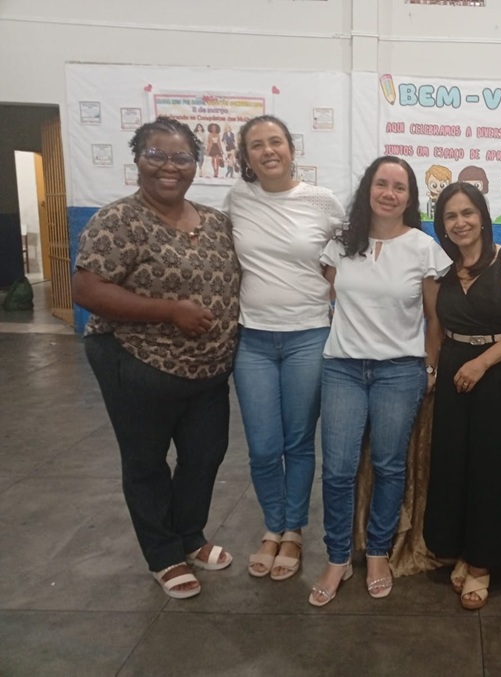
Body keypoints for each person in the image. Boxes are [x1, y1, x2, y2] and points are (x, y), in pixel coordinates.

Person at [72, 116, 240, 599]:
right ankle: (163, 554)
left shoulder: (215, 222)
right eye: (156, 155)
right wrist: (169, 311)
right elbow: (87, 289)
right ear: (138, 160)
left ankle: (189, 535)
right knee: (146, 462)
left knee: (205, 455)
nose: (169, 166)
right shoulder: (118, 221)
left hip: (208, 371)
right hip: (137, 365)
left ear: (196, 165)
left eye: (181, 157)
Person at [308, 156, 452, 607]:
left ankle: (377, 552)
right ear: (368, 189)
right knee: (338, 469)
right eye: (381, 183)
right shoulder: (340, 245)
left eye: (399, 187)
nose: (389, 193)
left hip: (399, 372)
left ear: (410, 198)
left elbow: (435, 319)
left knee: (390, 466)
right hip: (343, 369)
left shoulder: (424, 248)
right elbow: (332, 294)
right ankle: (337, 557)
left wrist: (430, 366)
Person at [224, 115, 345, 582]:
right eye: (256, 145)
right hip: (253, 339)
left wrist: (335, 291)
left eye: (275, 141)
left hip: (308, 335)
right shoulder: (237, 198)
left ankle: (292, 531)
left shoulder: (322, 201)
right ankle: (271, 526)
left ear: (292, 149)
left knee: (297, 442)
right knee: (261, 446)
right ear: (246, 156)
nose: (268, 150)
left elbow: (348, 254)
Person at [423, 182, 501, 610]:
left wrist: (482, 363)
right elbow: (436, 327)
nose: (460, 222)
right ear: (442, 225)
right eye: (450, 216)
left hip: (500, 373)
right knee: (456, 465)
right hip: (454, 371)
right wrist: (431, 370)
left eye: (467, 212)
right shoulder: (443, 270)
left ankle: (484, 562)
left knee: (494, 468)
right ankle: (464, 549)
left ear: (483, 217)